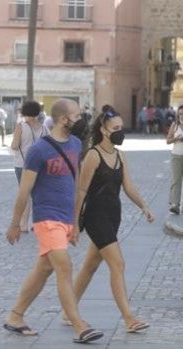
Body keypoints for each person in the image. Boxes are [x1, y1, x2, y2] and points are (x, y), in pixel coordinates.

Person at [4, 98, 103, 344]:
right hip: (46, 218)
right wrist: (16, 223)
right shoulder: (39, 150)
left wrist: (75, 220)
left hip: (65, 219)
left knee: (44, 268)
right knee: (64, 267)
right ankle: (79, 326)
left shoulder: (76, 144)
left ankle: (15, 316)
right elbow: (24, 191)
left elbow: (76, 184)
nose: (81, 120)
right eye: (77, 116)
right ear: (63, 119)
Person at [64, 106, 154, 334]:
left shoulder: (120, 155)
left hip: (114, 215)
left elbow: (128, 186)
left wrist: (144, 206)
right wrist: (75, 224)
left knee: (90, 265)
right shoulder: (93, 155)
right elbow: (81, 192)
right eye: (115, 128)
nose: (120, 132)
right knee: (118, 264)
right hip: (96, 216)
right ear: (103, 130)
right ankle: (128, 318)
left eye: (121, 128)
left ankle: (68, 310)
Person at [11, 101, 49, 233]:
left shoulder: (21, 127)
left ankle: (23, 224)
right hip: (40, 165)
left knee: (24, 193)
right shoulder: (44, 128)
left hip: (22, 164)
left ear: (25, 112)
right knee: (38, 194)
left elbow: (15, 146)